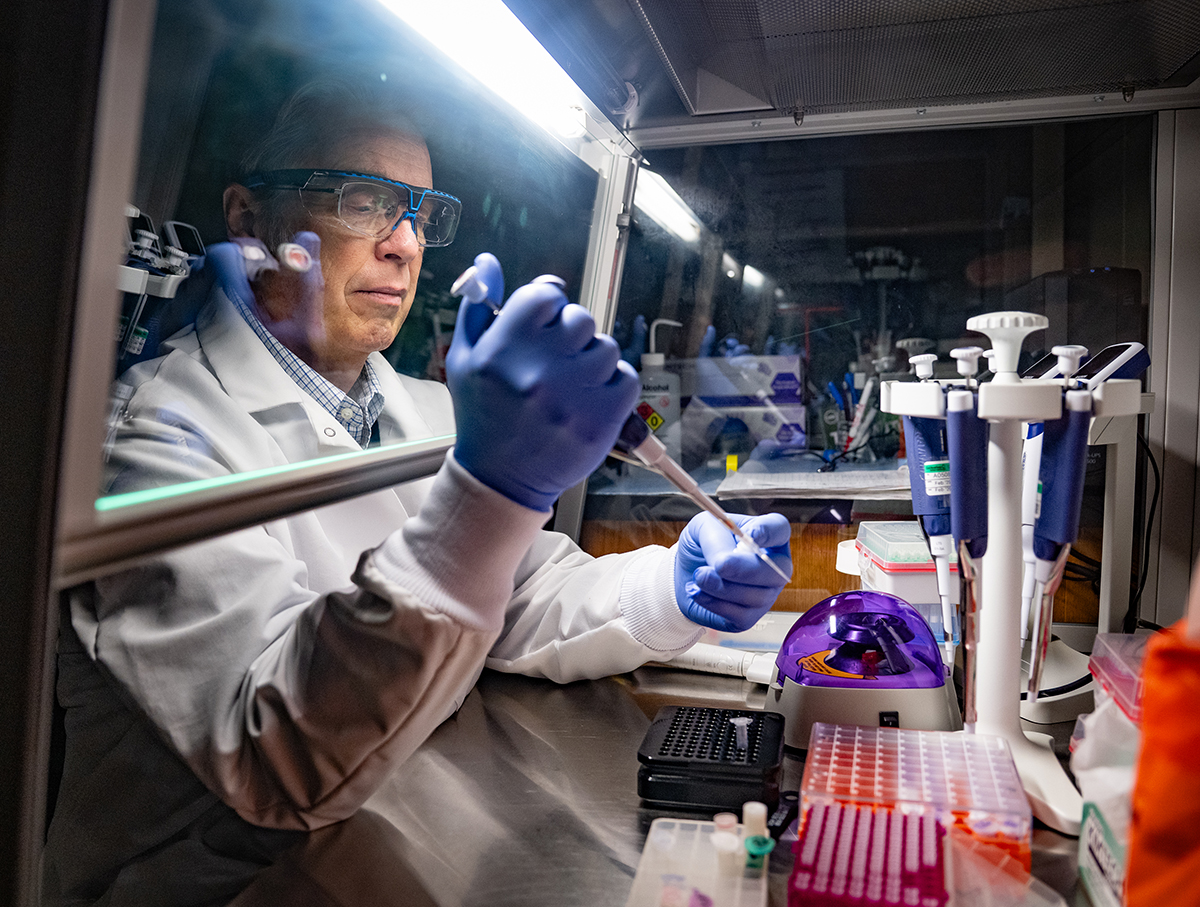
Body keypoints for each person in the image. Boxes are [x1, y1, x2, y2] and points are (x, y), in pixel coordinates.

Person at [43, 80, 792, 905]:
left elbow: (521, 591)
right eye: (364, 200)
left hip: (385, 833)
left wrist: (670, 587)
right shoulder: (153, 435)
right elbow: (276, 756)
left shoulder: (422, 408)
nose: (404, 244)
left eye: (420, 212)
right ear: (248, 220)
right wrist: (491, 490)